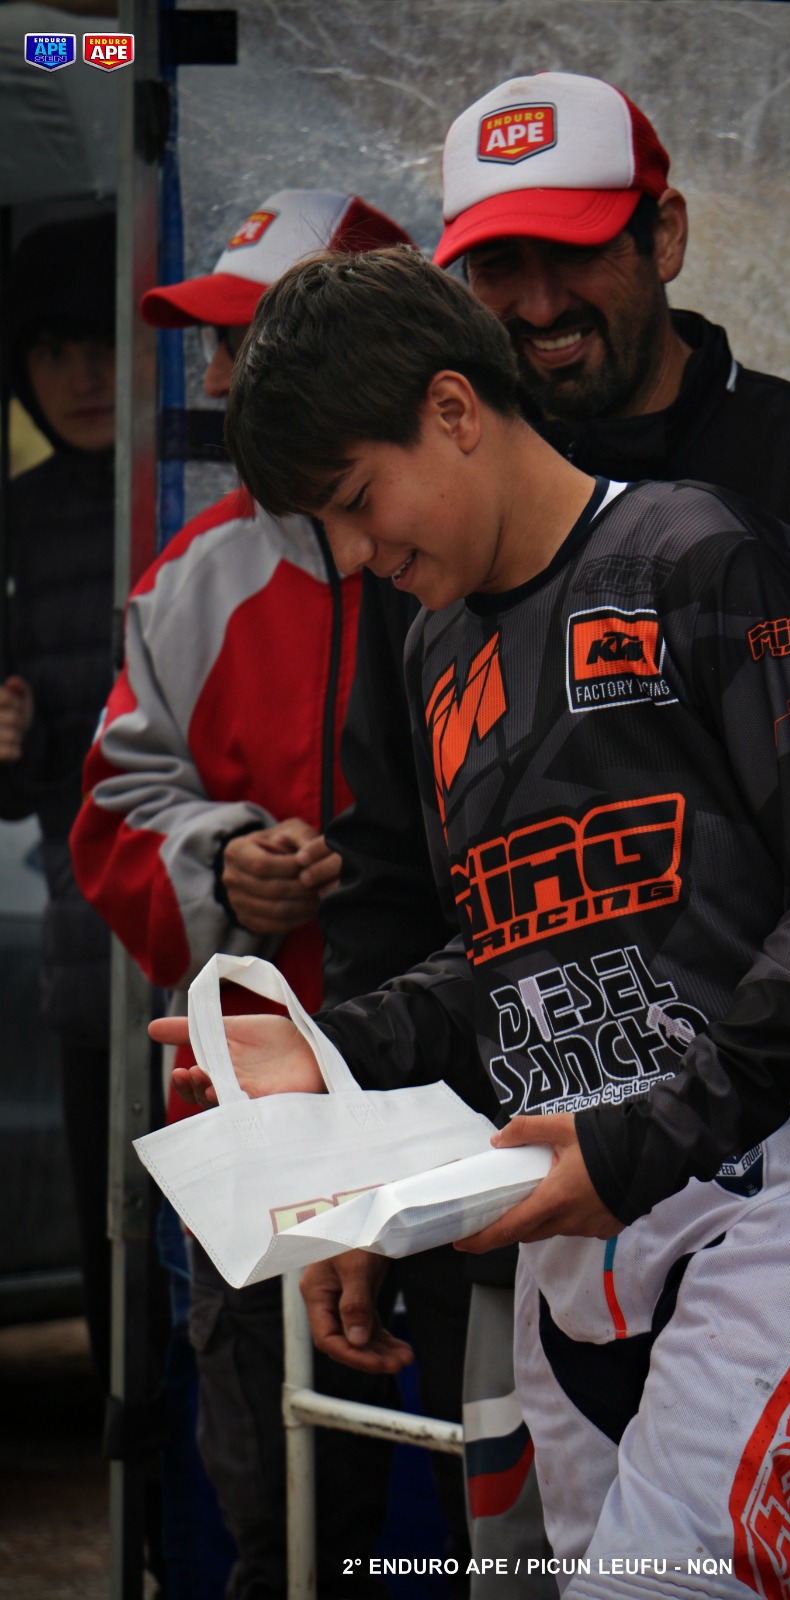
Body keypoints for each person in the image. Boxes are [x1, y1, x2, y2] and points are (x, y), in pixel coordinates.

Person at [306, 71, 790, 1600]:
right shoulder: (432, 565)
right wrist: (366, 1173)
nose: (537, 301)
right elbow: (399, 892)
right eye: (499, 266)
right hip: (540, 1195)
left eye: (575, 249)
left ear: (665, 238)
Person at [155, 244, 790, 1600]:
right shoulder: (433, 646)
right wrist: (334, 1055)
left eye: (355, 500)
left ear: (453, 409)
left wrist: (647, 1136)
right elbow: (516, 950)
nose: (356, 555)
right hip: (578, 1226)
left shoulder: (706, 556)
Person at [69, 190, 473, 1600]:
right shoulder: (194, 577)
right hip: (257, 1106)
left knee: (496, 1472)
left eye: (254, 337)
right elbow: (114, 809)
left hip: (470, 1099)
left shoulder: (476, 554)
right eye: (222, 344)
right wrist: (225, 857)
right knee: (284, 1509)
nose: (230, 376)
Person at [0, 212, 122, 1391]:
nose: (83, 374)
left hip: (246, 946)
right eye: (51, 349)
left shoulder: (215, 492)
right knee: (118, 1279)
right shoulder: (16, 526)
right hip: (88, 956)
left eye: (104, 342)